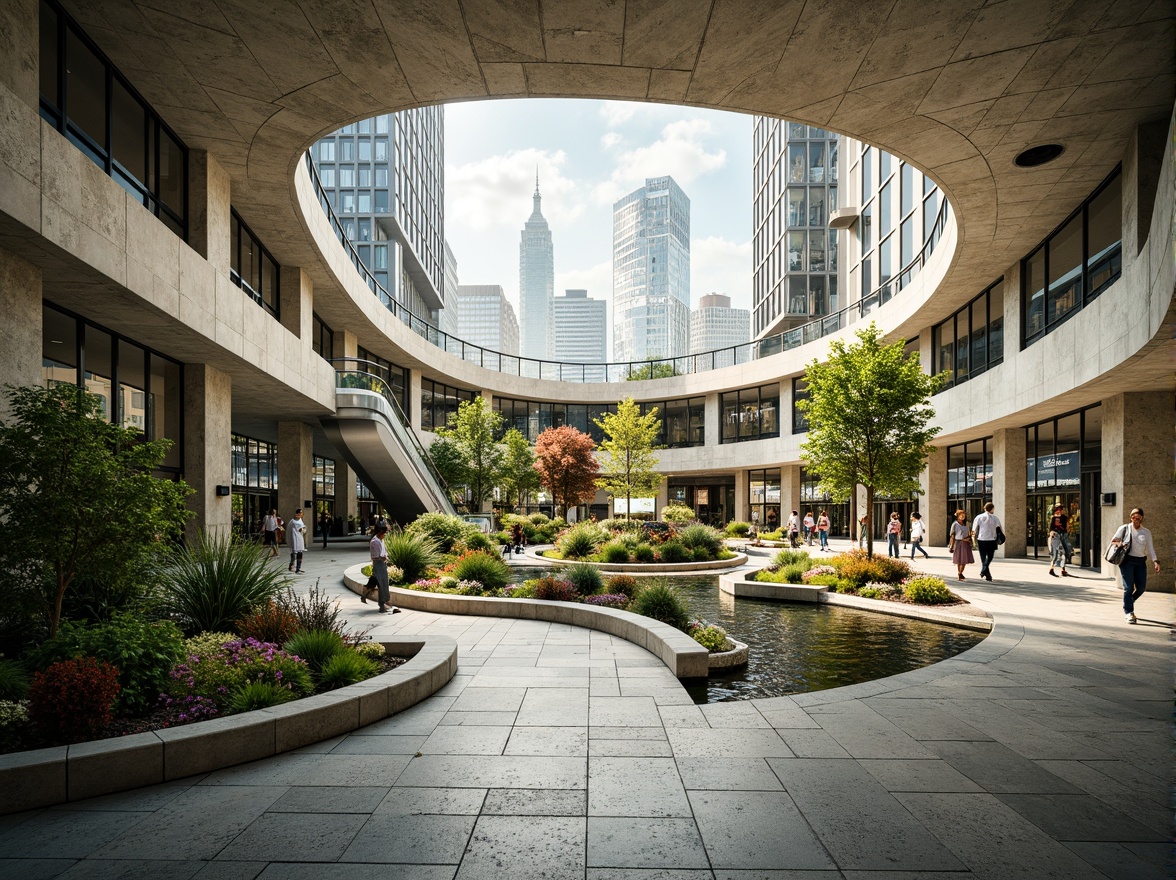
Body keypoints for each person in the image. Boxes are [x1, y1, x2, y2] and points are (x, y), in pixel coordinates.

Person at [1110, 507, 1160, 624]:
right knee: (1128, 588)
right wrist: (1121, 543)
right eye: (1133, 517)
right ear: (1130, 517)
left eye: (1138, 517)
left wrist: (1156, 561)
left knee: (1141, 588)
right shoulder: (1124, 528)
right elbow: (1114, 541)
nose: (1136, 519)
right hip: (1127, 561)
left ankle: (1128, 601)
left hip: (1140, 562)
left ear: (1142, 518)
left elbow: (1151, 548)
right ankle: (1129, 612)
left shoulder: (1146, 532)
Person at [368, 520, 400, 614]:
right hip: (378, 564)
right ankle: (384, 605)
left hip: (382, 564)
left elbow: (384, 551)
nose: (385, 534)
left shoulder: (381, 539)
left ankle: (384, 604)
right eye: (384, 532)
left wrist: (386, 556)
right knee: (382, 585)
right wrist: (383, 557)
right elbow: (375, 556)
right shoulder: (375, 541)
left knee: (384, 584)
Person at [973, 501, 1002, 582]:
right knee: (990, 556)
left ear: (985, 508)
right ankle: (985, 572)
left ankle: (986, 572)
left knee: (983, 557)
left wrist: (973, 539)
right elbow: (999, 528)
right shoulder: (995, 518)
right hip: (991, 539)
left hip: (981, 539)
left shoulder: (979, 517)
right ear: (992, 509)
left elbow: (974, 529)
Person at [949, 508, 974, 580]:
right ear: (958, 516)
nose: (963, 517)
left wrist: (970, 539)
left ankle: (960, 573)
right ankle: (959, 573)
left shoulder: (967, 524)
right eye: (961, 515)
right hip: (958, 543)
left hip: (966, 543)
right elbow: (952, 536)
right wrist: (951, 546)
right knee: (959, 560)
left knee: (964, 560)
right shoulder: (955, 524)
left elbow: (970, 534)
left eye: (964, 516)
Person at [1047, 503, 1071, 577]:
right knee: (1056, 553)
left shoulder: (1064, 517)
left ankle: (1062, 569)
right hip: (1056, 536)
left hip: (1063, 535)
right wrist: (1052, 533)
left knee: (1066, 552)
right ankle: (1052, 568)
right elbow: (1051, 528)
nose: (1059, 511)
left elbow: (1065, 527)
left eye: (1060, 509)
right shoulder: (1053, 518)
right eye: (1058, 509)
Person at [287, 508, 306, 573]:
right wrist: (303, 529)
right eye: (300, 513)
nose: (301, 514)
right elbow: (300, 529)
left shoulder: (300, 520)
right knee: (294, 553)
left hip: (300, 538)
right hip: (294, 538)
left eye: (302, 513)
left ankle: (298, 568)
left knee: (300, 553)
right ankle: (291, 566)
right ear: (297, 513)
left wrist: (303, 529)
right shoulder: (293, 521)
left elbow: (302, 528)